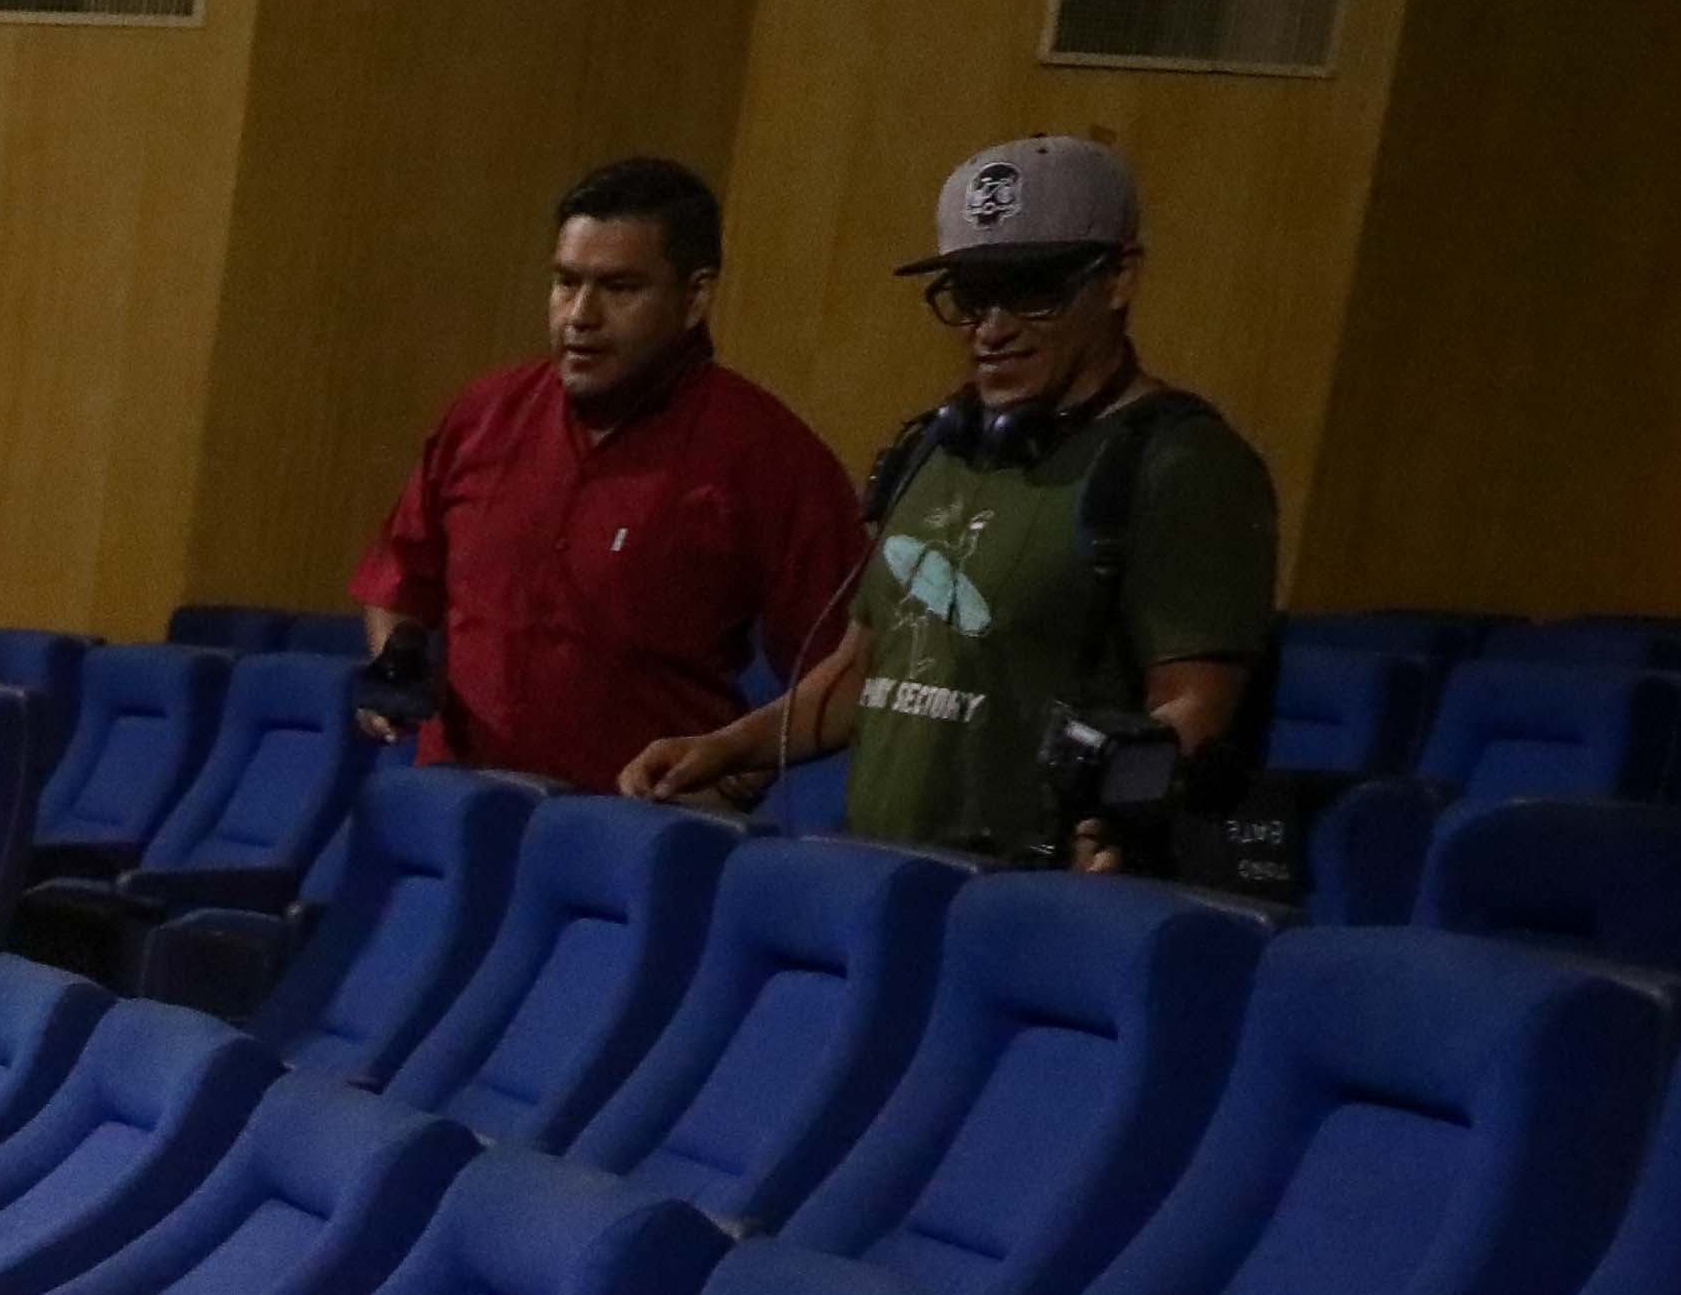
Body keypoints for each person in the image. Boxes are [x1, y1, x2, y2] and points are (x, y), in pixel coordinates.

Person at [624, 134, 1279, 871]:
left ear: (1119, 279)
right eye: (970, 296)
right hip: (877, 876)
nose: (991, 329)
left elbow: (1194, 710)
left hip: (1027, 898)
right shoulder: (940, 447)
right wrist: (724, 748)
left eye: (1032, 289)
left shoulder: (1183, 466)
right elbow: (862, 669)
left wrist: (1119, 828)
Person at [348, 155, 859, 789]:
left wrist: (735, 761)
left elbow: (845, 671)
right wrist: (394, 660)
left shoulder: (770, 456)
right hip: (456, 819)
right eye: (566, 282)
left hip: (629, 842)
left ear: (695, 297)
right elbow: (398, 583)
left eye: (620, 289)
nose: (580, 317)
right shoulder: (484, 415)